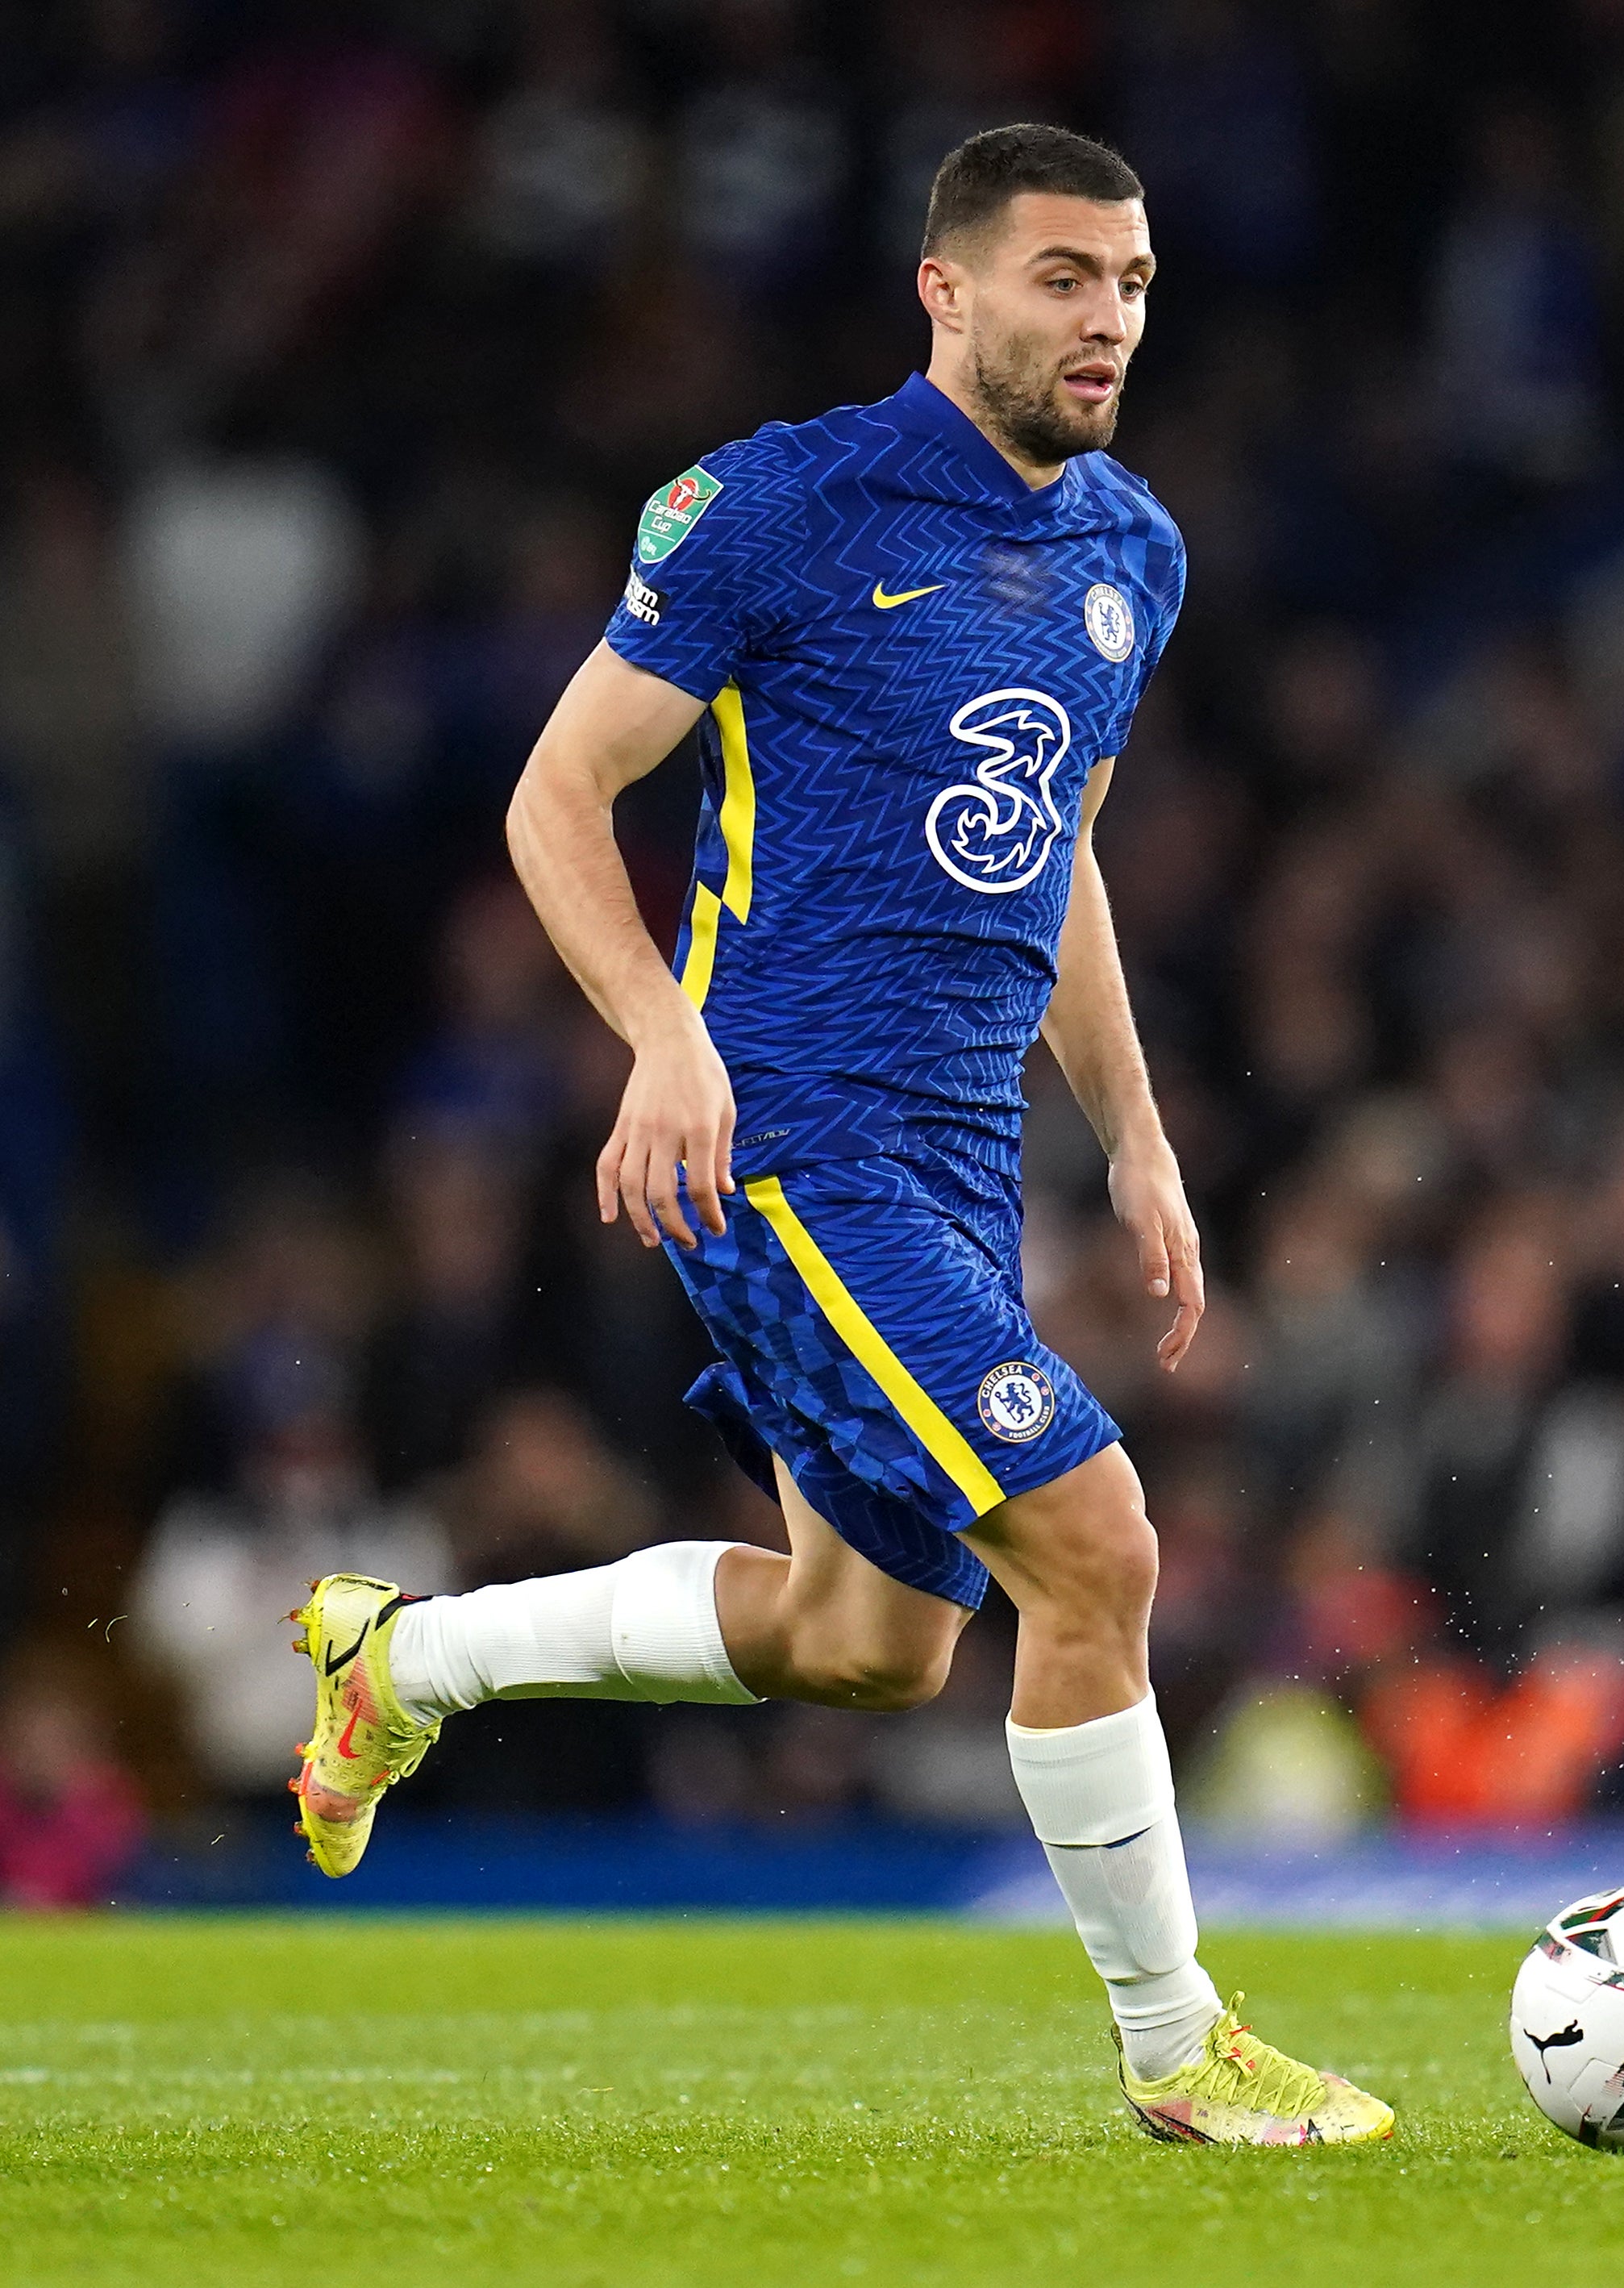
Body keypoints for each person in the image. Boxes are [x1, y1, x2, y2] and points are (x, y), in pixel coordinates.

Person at [288, 123, 1393, 2150]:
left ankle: (406, 1662)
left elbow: (1053, 851)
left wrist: (1135, 1135)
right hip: (785, 1132)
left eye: (1132, 283)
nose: (1108, 319)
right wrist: (659, 1039)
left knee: (868, 1643)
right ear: (943, 288)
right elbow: (555, 796)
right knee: (1094, 1543)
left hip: (957, 1168)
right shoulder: (778, 505)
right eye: (1062, 276)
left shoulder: (1129, 553)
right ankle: (1178, 2051)